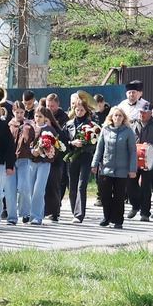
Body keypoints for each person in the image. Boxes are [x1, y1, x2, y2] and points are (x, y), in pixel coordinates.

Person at [92, 104, 138, 229]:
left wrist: (133, 169)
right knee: (105, 195)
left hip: (122, 170)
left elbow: (132, 151)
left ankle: (118, 220)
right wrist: (94, 164)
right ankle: (107, 217)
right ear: (111, 117)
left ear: (123, 118)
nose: (117, 117)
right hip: (106, 168)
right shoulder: (105, 130)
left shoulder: (128, 132)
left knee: (119, 196)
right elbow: (99, 148)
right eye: (115, 115)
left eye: (120, 115)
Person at [64, 95, 99, 223]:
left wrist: (84, 143)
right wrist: (72, 143)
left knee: (82, 185)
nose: (79, 112)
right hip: (72, 157)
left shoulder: (91, 125)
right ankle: (74, 210)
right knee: (72, 185)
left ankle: (79, 214)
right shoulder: (68, 124)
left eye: (81, 110)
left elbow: (95, 143)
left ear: (86, 111)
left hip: (85, 156)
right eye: (77, 109)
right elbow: (63, 140)